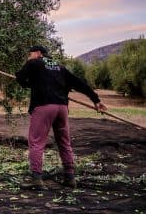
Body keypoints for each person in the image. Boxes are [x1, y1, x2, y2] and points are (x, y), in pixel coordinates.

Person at [15, 45, 107, 189]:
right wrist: (96, 100)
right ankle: (70, 178)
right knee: (64, 142)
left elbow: (20, 77)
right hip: (62, 108)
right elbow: (79, 83)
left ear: (38, 53)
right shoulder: (59, 67)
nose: (29, 56)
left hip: (44, 107)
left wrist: (30, 84)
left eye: (30, 53)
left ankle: (36, 180)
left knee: (36, 143)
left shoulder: (34, 62)